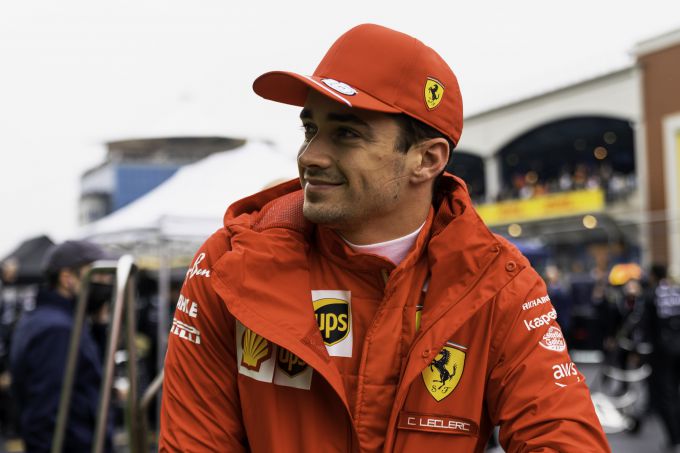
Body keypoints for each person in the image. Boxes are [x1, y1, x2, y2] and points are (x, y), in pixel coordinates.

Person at [160, 24, 609, 452]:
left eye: (346, 134)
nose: (310, 156)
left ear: (427, 160)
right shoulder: (230, 263)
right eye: (310, 129)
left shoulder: (498, 283)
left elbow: (564, 436)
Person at [9, 240, 114, 452]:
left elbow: (87, 377)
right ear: (67, 278)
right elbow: (42, 415)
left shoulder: (55, 319)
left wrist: (99, 327)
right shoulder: (57, 329)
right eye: (99, 275)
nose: (106, 283)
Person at [641, 264, 680, 451]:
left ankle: (674, 437)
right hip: (677, 347)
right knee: (675, 392)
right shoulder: (676, 291)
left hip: (661, 351)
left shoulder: (651, 295)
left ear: (653, 275)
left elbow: (645, 326)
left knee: (666, 394)